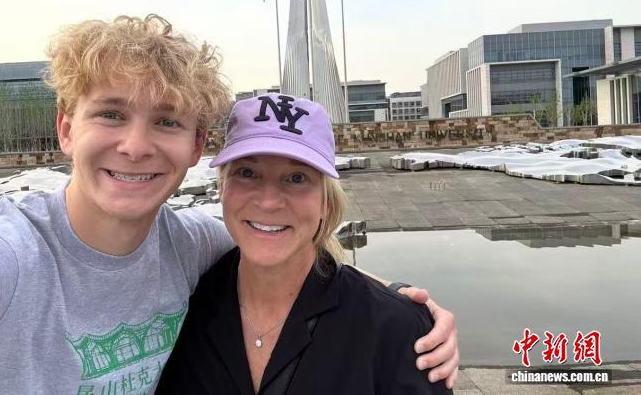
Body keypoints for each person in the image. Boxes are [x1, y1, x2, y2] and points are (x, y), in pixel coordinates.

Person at [0, 15, 457, 395]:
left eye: (166, 121)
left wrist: (402, 308)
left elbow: (288, 245)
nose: (136, 146)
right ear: (66, 128)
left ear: (195, 146)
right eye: (111, 114)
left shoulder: (188, 246)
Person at [156, 93, 453, 394]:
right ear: (222, 186)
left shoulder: (396, 329)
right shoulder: (183, 308)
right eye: (247, 173)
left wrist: (408, 309)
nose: (269, 202)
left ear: (325, 202)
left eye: (297, 178)